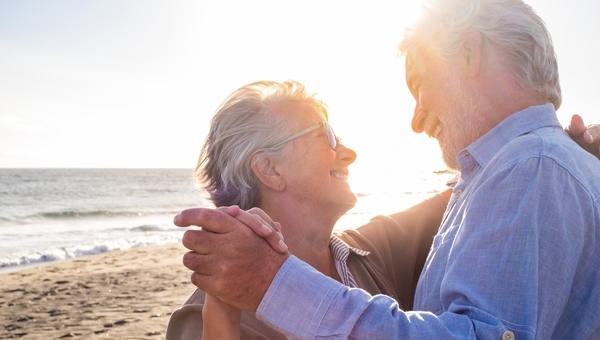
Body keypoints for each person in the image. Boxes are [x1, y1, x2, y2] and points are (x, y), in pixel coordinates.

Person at [174, 0, 600, 338]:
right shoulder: (507, 178)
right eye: (327, 136)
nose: (416, 120)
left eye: (419, 86)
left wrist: (274, 284)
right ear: (268, 169)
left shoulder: (531, 169)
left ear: (469, 52)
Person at [165, 80, 449, 339]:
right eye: (326, 136)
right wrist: (223, 314)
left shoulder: (374, 252)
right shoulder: (204, 317)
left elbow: (468, 188)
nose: (349, 153)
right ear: (270, 169)